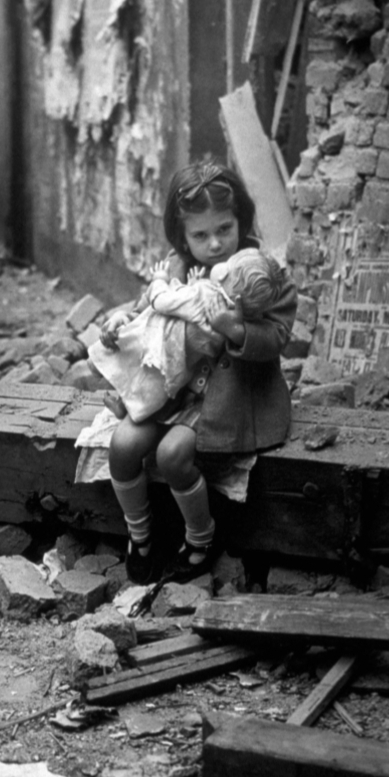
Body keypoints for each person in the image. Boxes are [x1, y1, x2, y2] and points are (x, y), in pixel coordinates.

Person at [98, 158, 297, 585]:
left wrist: (238, 331)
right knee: (123, 445)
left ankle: (200, 538)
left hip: (229, 396)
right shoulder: (176, 265)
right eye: (200, 235)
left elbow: (279, 334)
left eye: (224, 229)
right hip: (171, 387)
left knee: (172, 456)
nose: (214, 244)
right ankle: (141, 535)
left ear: (240, 219)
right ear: (182, 236)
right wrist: (120, 321)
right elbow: (150, 306)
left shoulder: (262, 272)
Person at [89, 247, 287, 424]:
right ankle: (124, 407)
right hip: (179, 369)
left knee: (114, 362)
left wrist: (159, 279)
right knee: (148, 389)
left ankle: (96, 370)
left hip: (157, 346)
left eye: (228, 265)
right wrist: (193, 285)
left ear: (226, 277)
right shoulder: (231, 317)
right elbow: (198, 322)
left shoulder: (203, 297)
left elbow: (161, 301)